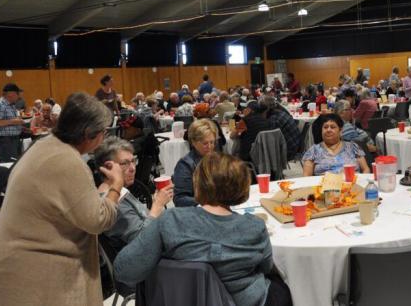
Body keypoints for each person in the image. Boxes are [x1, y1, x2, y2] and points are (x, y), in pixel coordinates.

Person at [0, 92, 123, 306]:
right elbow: (97, 221)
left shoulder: (46, 144)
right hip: (32, 273)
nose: (104, 137)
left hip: (16, 263)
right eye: (103, 132)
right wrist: (116, 185)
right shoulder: (67, 161)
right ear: (89, 133)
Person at [114, 152, 292, 306]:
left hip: (185, 299)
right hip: (245, 300)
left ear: (198, 184)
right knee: (283, 286)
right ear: (243, 187)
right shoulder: (255, 226)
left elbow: (125, 271)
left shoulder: (171, 221)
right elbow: (266, 267)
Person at [95, 137, 173, 252]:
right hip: (146, 262)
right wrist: (157, 206)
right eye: (125, 163)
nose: (132, 168)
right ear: (108, 167)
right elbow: (143, 241)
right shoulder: (113, 201)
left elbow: (143, 220)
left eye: (133, 161)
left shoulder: (118, 190)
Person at [302, 114, 370, 176]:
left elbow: (366, 169)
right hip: (324, 187)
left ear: (340, 131)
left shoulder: (353, 147)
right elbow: (306, 176)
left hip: (352, 185)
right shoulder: (313, 151)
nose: (328, 130)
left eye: (332, 127)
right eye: (325, 127)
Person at [173, 119, 218, 207]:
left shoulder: (216, 159)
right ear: (193, 142)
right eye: (205, 143)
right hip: (198, 213)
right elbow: (180, 199)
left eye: (212, 142)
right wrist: (208, 202)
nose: (209, 146)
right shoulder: (185, 165)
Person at [0, 83, 25, 161]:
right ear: (11, 94)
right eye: (18, 93)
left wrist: (21, 127)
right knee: (9, 163)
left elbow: (12, 121)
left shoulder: (11, 105)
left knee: (15, 162)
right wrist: (14, 121)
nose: (19, 96)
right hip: (6, 140)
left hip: (13, 138)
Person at [261, 96, 301, 160]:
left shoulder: (274, 119)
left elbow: (270, 140)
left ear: (266, 109)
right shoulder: (280, 112)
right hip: (295, 145)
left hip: (289, 151)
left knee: (259, 151)